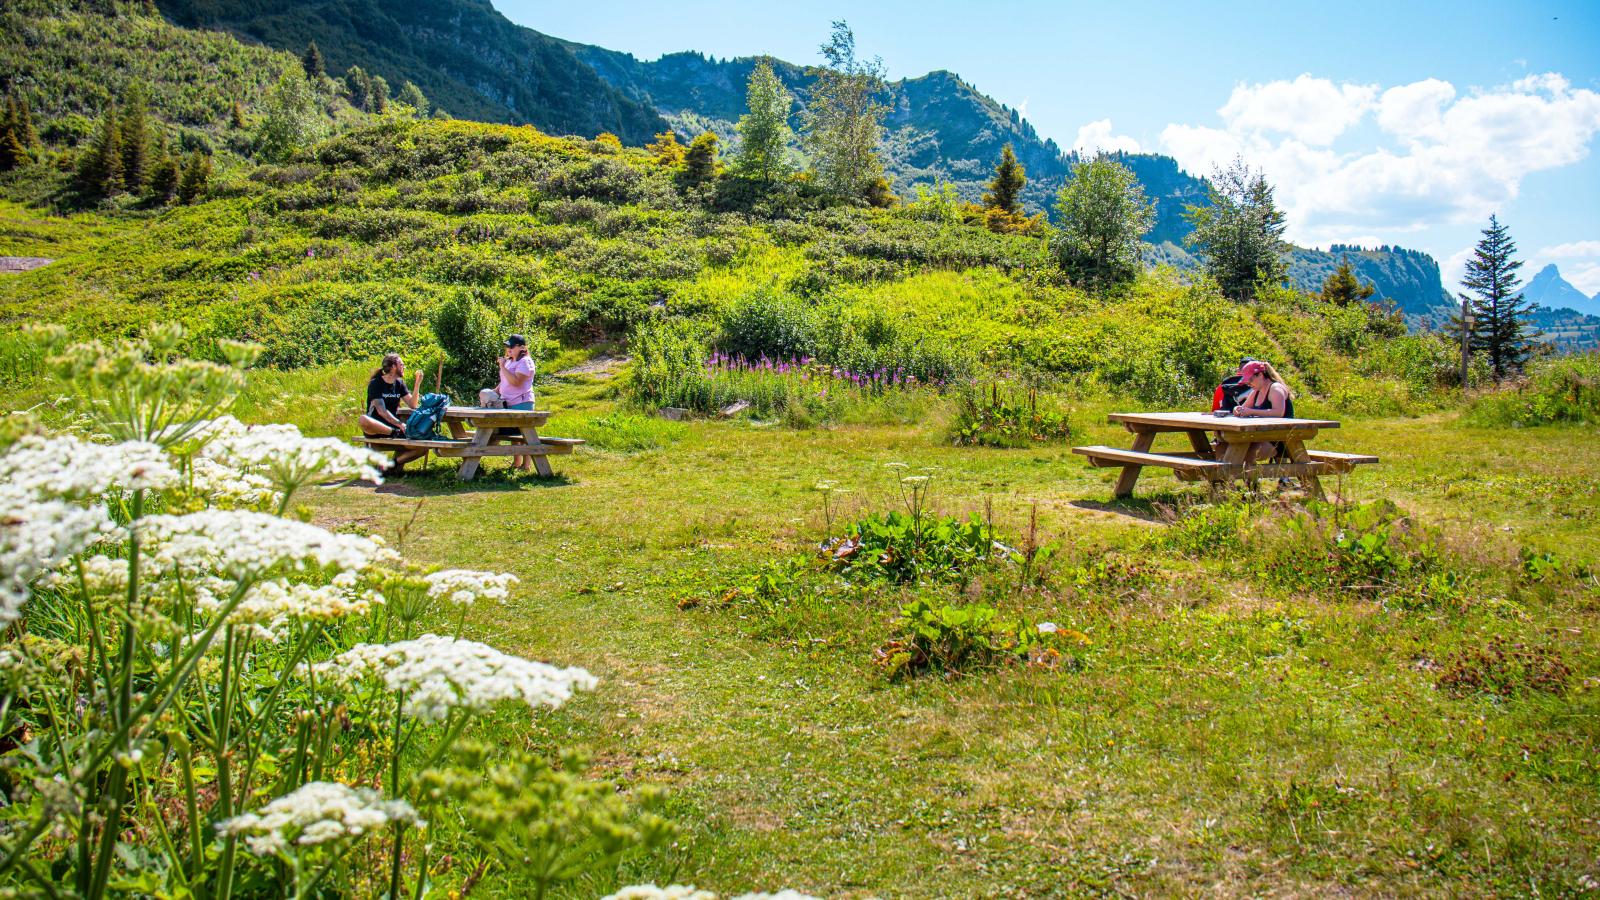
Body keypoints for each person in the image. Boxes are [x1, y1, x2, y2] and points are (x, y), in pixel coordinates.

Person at [359, 353, 426, 474]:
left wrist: (417, 384)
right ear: (393, 367)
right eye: (401, 364)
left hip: (396, 430)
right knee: (363, 419)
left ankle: (391, 466)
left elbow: (413, 404)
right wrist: (400, 425)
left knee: (423, 448)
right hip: (376, 429)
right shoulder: (376, 383)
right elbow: (382, 411)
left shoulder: (399, 384)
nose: (404, 367)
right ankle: (393, 432)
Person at [1231, 360, 1296, 466]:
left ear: (1260, 375)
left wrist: (1251, 411)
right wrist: (1237, 409)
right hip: (1264, 435)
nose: (1249, 384)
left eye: (1251, 380)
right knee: (1233, 448)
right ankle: (1250, 479)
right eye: (1247, 382)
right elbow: (1244, 408)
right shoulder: (1256, 392)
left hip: (1281, 438)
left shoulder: (1275, 388)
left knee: (1241, 453)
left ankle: (1247, 477)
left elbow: (1278, 412)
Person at [497, 334, 536, 472]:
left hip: (522, 402)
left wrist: (502, 367)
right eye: (507, 346)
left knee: (524, 435)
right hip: (508, 402)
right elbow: (505, 382)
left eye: (512, 346)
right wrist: (492, 393)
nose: (509, 349)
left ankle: (526, 467)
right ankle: (516, 464)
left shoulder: (525, 362)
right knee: (514, 435)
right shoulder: (509, 361)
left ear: (522, 347)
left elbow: (516, 381)